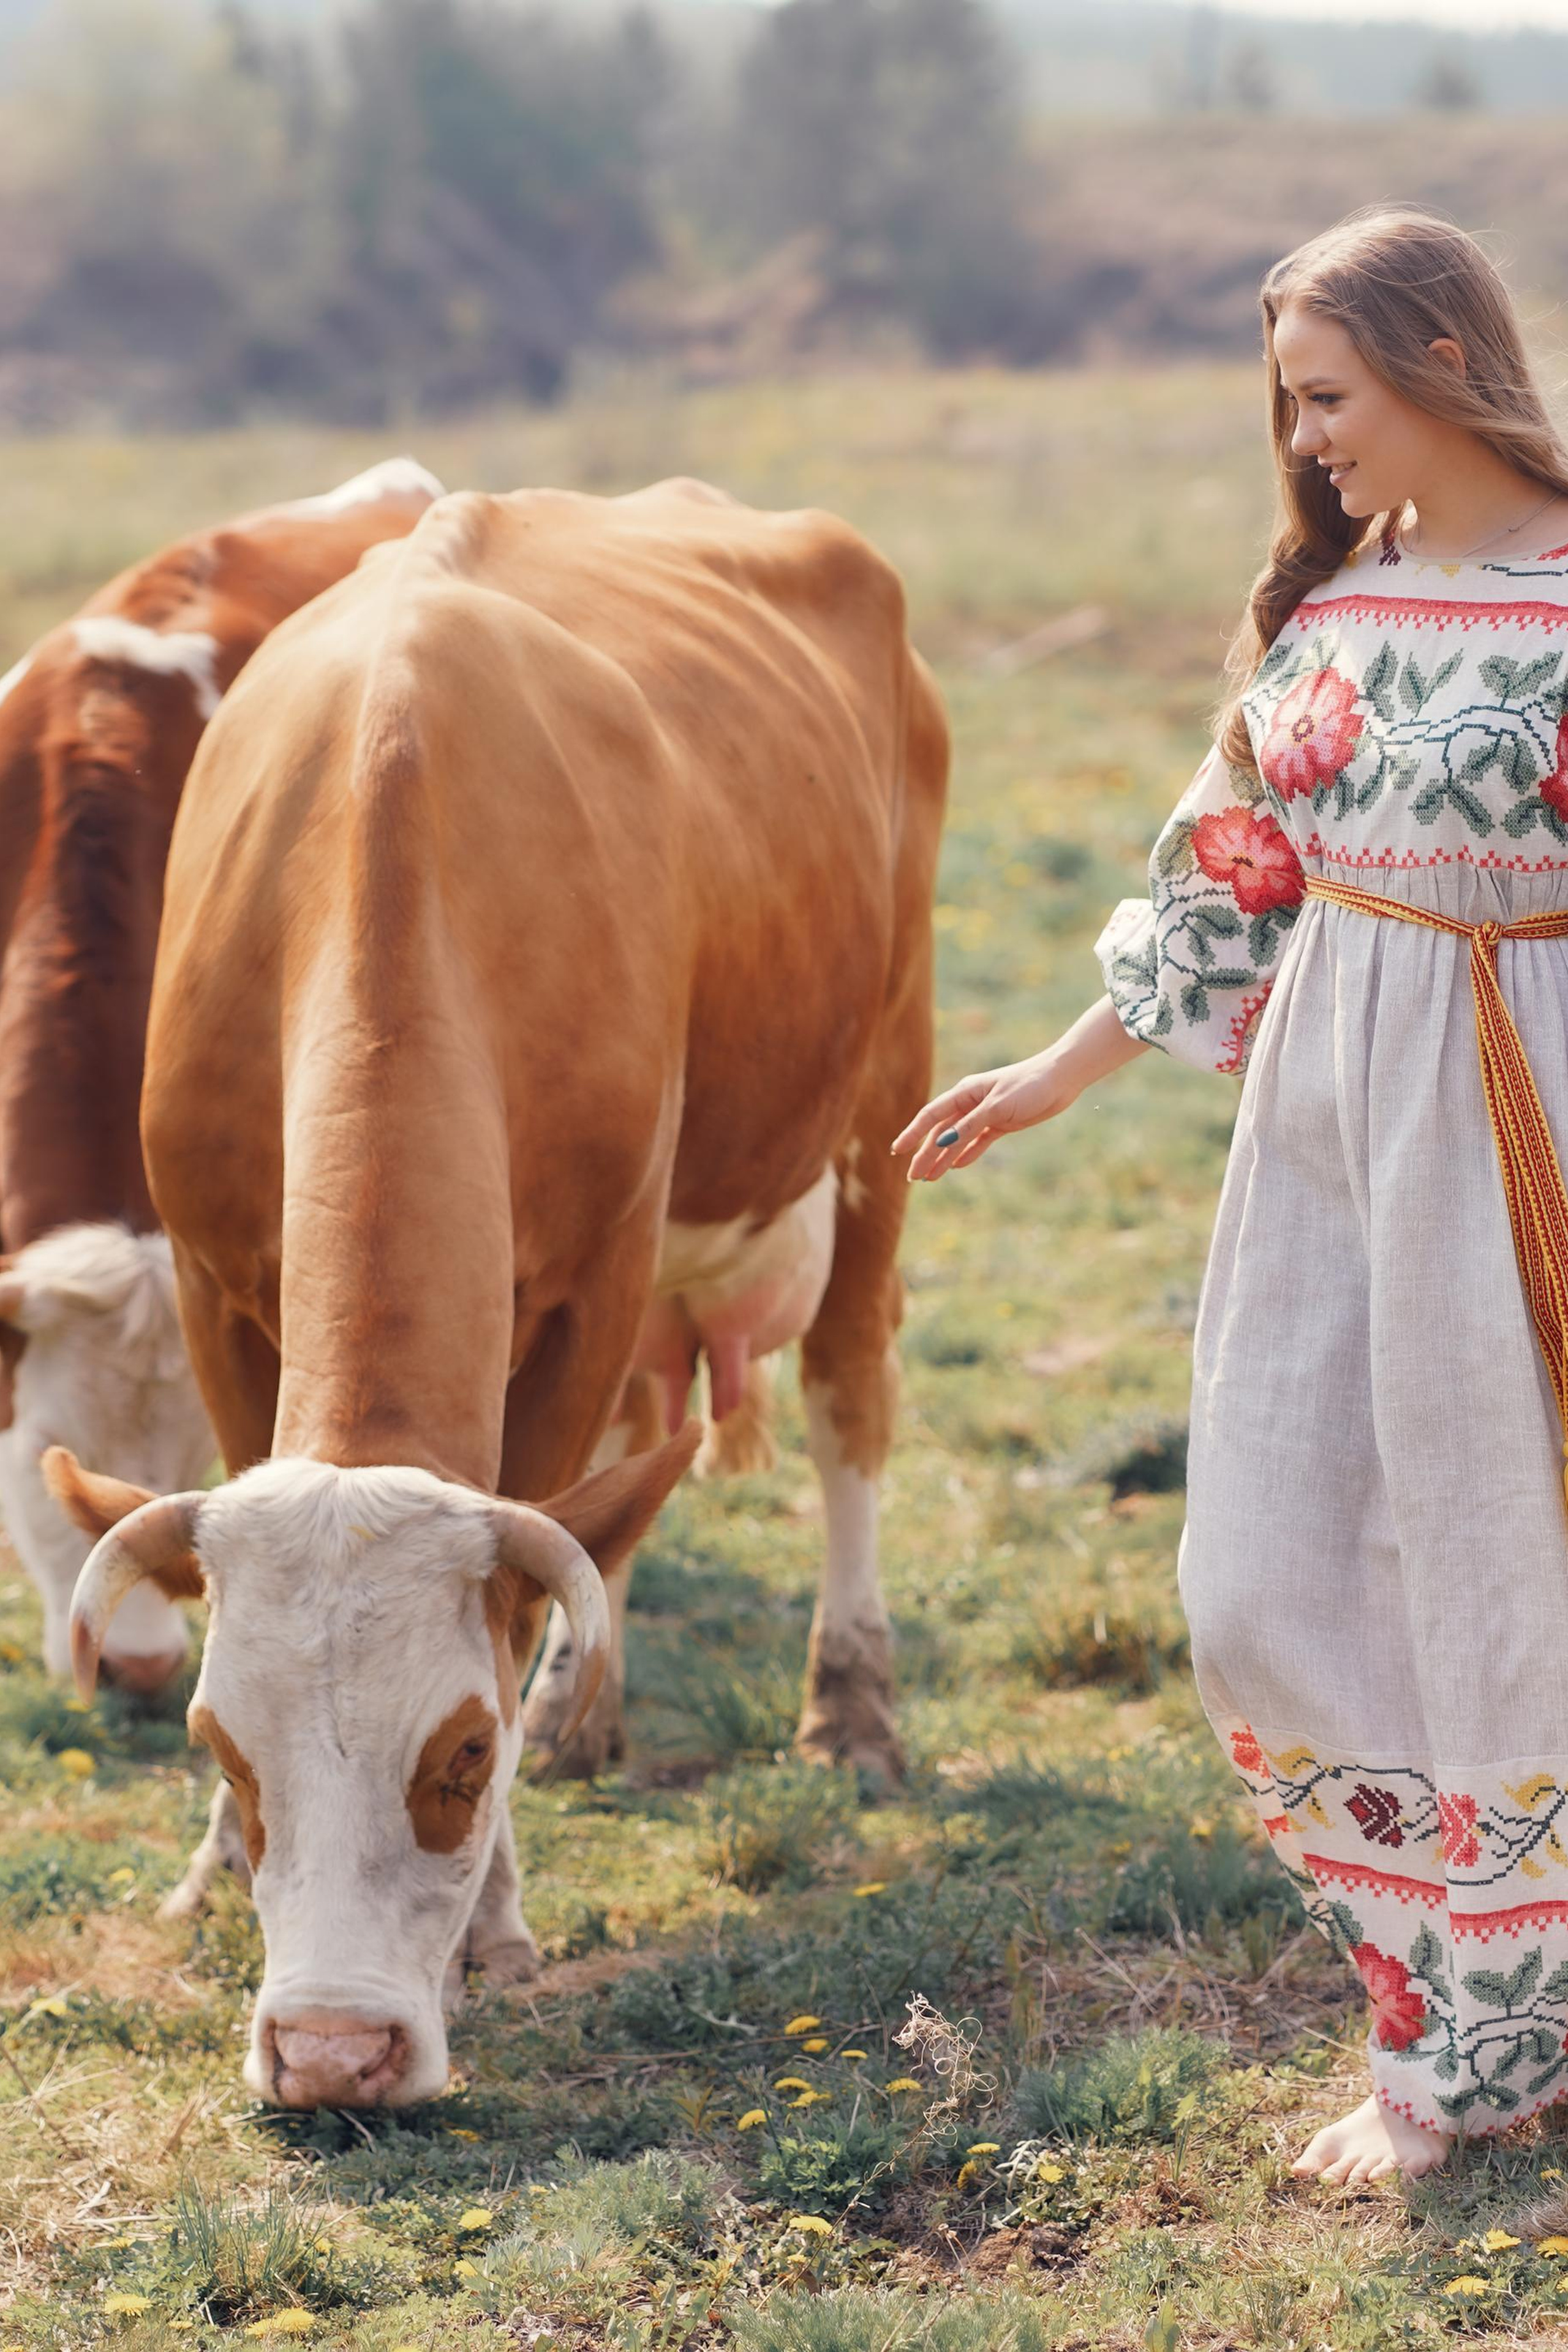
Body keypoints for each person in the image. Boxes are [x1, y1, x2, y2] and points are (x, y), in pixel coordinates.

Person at [892, 205, 1568, 2190]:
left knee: (1501, 1569)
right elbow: (1229, 879)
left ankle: (1471, 2059)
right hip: (1322, 1147)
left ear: (1444, 364)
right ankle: (1460, 1984)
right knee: (1262, 1576)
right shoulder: (1337, 609)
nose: (1308, 440)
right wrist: (1050, 1074)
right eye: (1291, 404)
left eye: (1328, 396)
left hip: (1522, 1124)